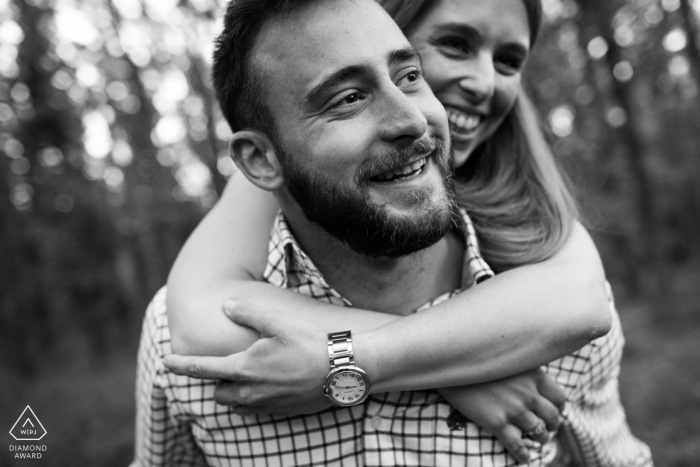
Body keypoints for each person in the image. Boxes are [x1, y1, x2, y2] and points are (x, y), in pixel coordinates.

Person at [132, 0, 653, 465]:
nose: (482, 83)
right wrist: (459, 367)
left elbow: (583, 305)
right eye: (348, 97)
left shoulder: (542, 308)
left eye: (408, 77)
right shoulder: (188, 341)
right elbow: (196, 317)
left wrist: (357, 363)